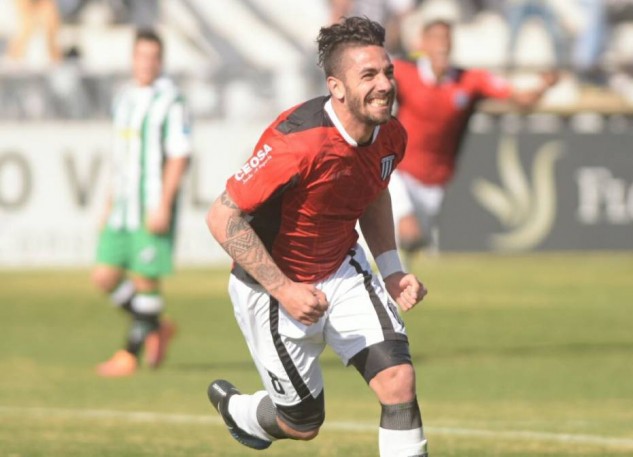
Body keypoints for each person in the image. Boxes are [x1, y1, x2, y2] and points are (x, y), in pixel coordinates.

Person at [205, 16, 429, 457]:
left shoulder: (391, 134)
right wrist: (284, 289)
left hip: (343, 269)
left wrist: (391, 270)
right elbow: (221, 217)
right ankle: (241, 410)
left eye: (387, 72)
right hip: (272, 286)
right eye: (369, 75)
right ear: (336, 87)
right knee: (301, 423)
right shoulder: (296, 142)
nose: (385, 85)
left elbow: (374, 190)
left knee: (398, 380)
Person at [390, 17, 558, 255]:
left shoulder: (470, 80)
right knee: (406, 227)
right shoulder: (403, 72)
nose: (442, 44)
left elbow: (521, 99)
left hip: (435, 181)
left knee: (411, 248)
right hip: (398, 171)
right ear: (422, 44)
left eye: (446, 38)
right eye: (435, 38)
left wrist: (543, 85)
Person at [91, 29, 191, 377]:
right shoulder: (124, 99)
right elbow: (120, 158)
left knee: (146, 280)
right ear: (133, 59)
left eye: (152, 57)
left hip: (151, 204)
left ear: (160, 61)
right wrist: (108, 203)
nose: (146, 63)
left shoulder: (171, 101)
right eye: (141, 56)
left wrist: (163, 203)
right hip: (122, 206)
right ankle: (156, 325)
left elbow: (179, 156)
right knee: (104, 275)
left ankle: (129, 354)